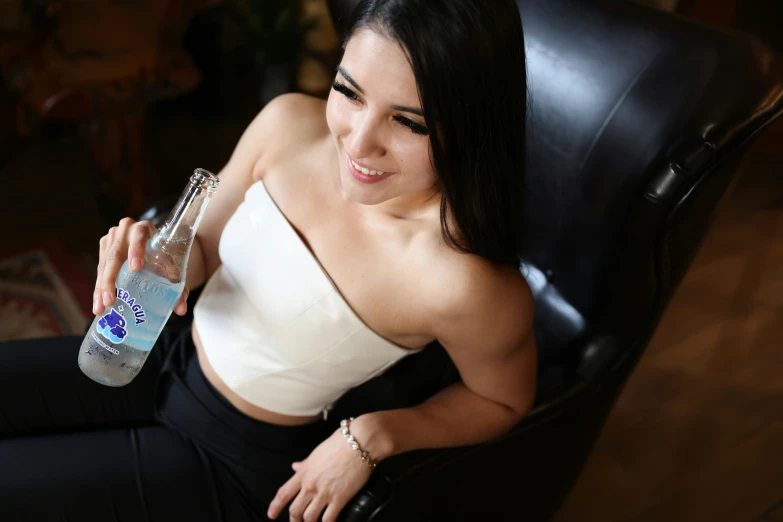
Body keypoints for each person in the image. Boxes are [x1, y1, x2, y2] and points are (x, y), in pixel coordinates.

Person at [0, 0, 537, 520]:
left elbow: (502, 402)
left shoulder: (463, 283)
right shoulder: (287, 124)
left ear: (471, 124)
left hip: (225, 458)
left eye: (410, 123)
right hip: (160, 350)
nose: (358, 141)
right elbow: (204, 249)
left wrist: (375, 435)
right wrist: (148, 263)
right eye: (349, 91)